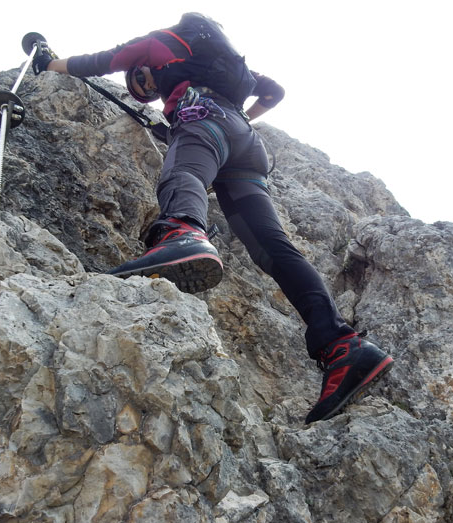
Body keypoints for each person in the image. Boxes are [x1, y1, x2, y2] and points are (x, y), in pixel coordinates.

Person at [32, 13, 393, 423]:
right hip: (247, 144)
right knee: (274, 249)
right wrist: (238, 119)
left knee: (182, 172)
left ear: (147, 66)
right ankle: (342, 346)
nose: (146, 89)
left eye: (143, 80)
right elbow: (273, 91)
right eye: (141, 91)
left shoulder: (163, 41)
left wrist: (48, 63)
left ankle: (182, 232)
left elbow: (101, 61)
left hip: (203, 120)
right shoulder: (227, 62)